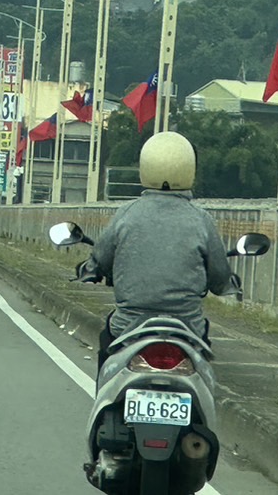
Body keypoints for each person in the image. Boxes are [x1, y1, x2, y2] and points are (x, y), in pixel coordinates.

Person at [83, 132, 233, 367]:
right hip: (187, 327)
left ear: (145, 167)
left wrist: (91, 269)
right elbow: (220, 277)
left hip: (129, 325)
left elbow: (100, 258)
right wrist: (224, 284)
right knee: (203, 363)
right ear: (189, 169)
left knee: (106, 343)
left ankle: (103, 400)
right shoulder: (201, 220)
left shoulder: (126, 214)